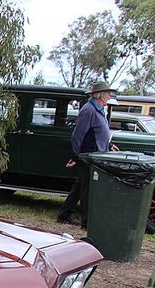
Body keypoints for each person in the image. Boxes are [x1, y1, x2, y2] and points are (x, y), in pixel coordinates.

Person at [57, 80, 119, 228]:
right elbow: (78, 135)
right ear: (101, 95)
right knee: (87, 189)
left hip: (96, 154)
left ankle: (64, 214)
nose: (110, 97)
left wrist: (109, 145)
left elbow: (97, 133)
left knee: (80, 186)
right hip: (89, 156)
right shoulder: (88, 110)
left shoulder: (99, 110)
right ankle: (87, 222)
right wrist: (76, 156)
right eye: (108, 94)